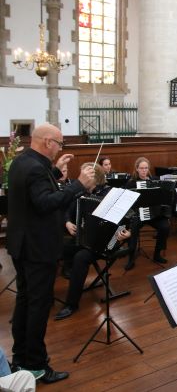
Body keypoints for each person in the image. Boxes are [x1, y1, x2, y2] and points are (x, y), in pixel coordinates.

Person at [7, 123, 95, 383]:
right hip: (37, 247)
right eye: (60, 144)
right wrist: (78, 184)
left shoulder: (23, 162)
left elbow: (36, 191)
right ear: (48, 142)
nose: (60, 148)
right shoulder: (35, 168)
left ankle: (21, 357)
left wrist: (56, 170)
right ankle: (36, 365)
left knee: (25, 301)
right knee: (38, 306)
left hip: (22, 245)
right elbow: (45, 203)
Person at [54, 163, 133, 320]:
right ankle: (45, 297)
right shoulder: (79, 193)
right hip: (82, 239)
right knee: (53, 248)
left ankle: (71, 304)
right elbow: (64, 211)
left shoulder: (111, 194)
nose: (81, 178)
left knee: (81, 258)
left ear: (95, 178)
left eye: (85, 175)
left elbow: (132, 217)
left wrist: (128, 232)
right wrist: (67, 222)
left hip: (105, 243)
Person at [124, 157, 170, 269]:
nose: (144, 170)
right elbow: (126, 201)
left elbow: (163, 197)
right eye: (141, 168)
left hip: (154, 214)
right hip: (139, 214)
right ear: (137, 169)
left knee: (165, 227)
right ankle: (130, 258)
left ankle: (157, 254)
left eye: (146, 168)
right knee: (133, 227)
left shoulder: (154, 181)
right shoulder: (131, 183)